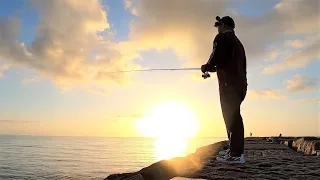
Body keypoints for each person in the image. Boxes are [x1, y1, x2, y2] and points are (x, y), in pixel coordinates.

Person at [201, 16, 247, 164]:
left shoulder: (221, 38)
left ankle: (236, 154)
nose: (217, 28)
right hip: (240, 85)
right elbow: (227, 62)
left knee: (231, 118)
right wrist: (215, 68)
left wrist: (206, 67)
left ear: (225, 24)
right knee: (234, 116)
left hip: (228, 85)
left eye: (219, 25)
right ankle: (235, 151)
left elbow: (215, 55)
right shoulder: (238, 43)